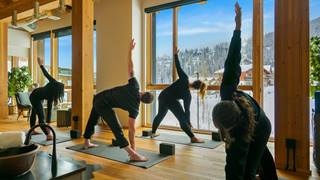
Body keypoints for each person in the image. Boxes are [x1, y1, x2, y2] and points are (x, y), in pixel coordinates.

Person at [211, 2, 278, 180]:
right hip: (255, 120)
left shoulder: (238, 135)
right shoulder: (227, 91)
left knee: (248, 168)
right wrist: (238, 27)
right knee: (260, 158)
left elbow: (234, 169)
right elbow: (232, 59)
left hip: (262, 126)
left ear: (229, 128)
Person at [83, 39, 154, 162]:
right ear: (144, 102)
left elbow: (130, 67)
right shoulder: (135, 109)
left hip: (98, 97)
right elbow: (131, 130)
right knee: (116, 128)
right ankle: (131, 153)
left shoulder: (135, 86)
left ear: (143, 93)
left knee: (93, 119)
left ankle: (86, 141)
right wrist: (134, 146)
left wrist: (129, 51)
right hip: (102, 103)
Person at [151, 46, 207, 143]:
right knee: (182, 118)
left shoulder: (184, 78)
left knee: (160, 115)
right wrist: (188, 121)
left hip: (163, 95)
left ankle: (153, 132)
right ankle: (193, 137)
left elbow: (178, 67)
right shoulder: (187, 95)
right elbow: (187, 111)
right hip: (170, 99)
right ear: (196, 89)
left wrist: (175, 55)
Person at [29, 57, 64, 140]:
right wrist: (41, 65)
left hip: (38, 97)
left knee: (34, 112)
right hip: (34, 96)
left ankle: (32, 130)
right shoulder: (53, 82)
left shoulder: (52, 95)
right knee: (41, 117)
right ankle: (48, 135)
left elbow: (49, 108)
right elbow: (46, 74)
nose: (58, 96)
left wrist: (48, 123)